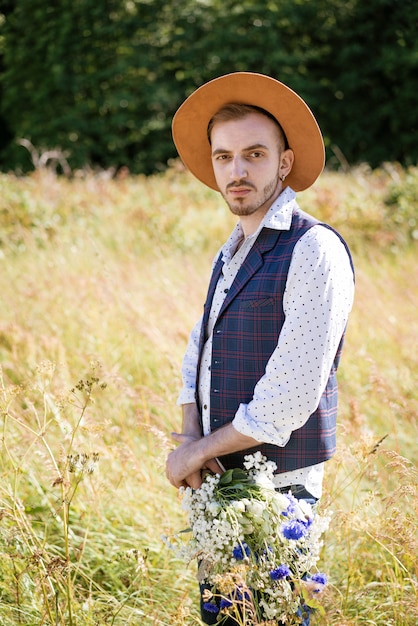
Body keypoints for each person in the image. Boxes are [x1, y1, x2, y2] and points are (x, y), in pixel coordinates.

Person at [165, 72, 355, 625]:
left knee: (270, 618)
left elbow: (290, 397)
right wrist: (190, 439)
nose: (236, 171)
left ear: (285, 163)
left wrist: (194, 454)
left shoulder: (314, 249)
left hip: (281, 497)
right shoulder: (230, 254)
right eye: (223, 157)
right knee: (222, 619)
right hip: (218, 492)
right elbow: (197, 355)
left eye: (253, 154)